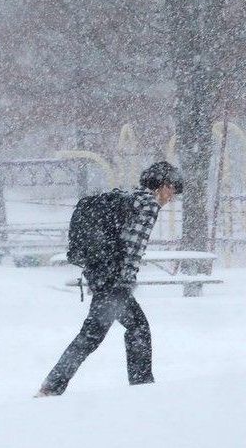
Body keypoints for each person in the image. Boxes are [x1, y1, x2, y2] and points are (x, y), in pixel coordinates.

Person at [36, 161, 183, 397]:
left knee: (101, 334)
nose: (171, 197)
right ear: (163, 185)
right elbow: (133, 247)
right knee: (127, 330)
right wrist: (125, 283)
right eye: (172, 190)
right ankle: (141, 388)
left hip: (101, 274)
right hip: (114, 281)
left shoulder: (129, 198)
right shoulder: (148, 205)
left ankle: (52, 385)